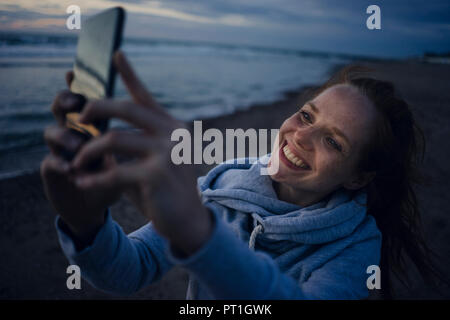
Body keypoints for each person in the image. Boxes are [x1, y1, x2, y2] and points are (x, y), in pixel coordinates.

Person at [41, 51, 438, 299]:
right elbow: (131, 268)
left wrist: (201, 236)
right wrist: (86, 223)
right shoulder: (221, 185)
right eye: (305, 115)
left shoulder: (355, 247)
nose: (301, 136)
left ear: (357, 178)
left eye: (334, 142)